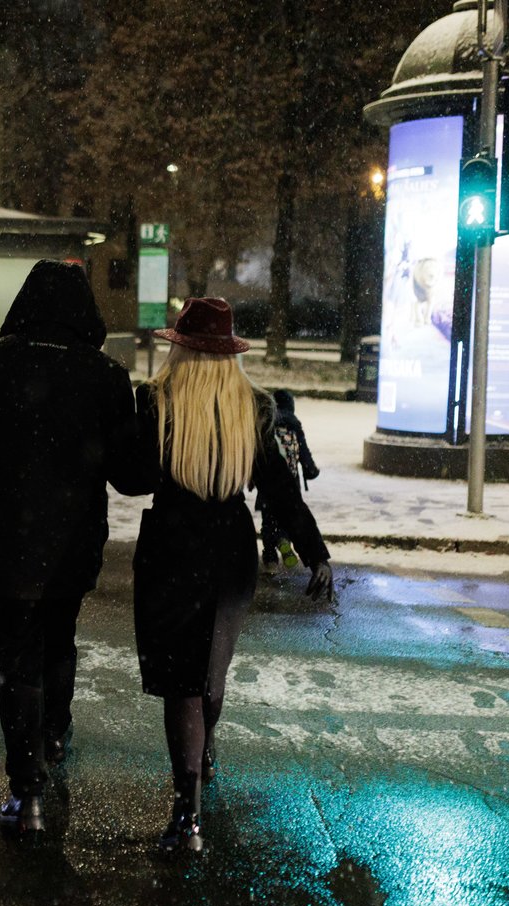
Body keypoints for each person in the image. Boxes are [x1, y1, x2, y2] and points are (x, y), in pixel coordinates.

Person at [0, 259, 144, 840]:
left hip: (5, 536)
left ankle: (25, 789)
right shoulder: (106, 376)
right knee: (60, 638)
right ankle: (53, 734)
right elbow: (127, 471)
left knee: (16, 655)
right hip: (72, 538)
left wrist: (4, 448)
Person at [131, 297, 333, 854]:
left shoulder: (154, 400)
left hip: (172, 544)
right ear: (230, 354)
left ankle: (186, 815)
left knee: (182, 683)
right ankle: (205, 749)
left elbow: (133, 477)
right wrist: (315, 552)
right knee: (210, 673)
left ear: (180, 348)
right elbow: (281, 492)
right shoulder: (255, 407)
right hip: (230, 547)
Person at [256, 388, 320, 572]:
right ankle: (284, 539)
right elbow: (304, 454)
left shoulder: (267, 424)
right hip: (289, 484)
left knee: (268, 520)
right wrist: (311, 471)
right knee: (287, 515)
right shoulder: (294, 426)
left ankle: (270, 559)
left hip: (268, 483)